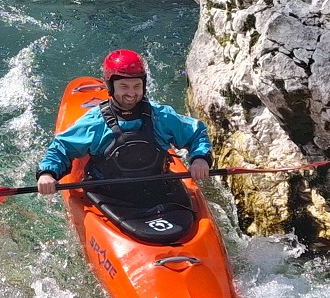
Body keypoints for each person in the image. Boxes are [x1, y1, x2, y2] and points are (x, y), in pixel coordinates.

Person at [35, 49, 212, 242]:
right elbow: (61, 148)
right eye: (124, 86)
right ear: (111, 87)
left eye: (137, 86)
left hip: (158, 189)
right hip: (112, 196)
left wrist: (200, 158)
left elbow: (196, 133)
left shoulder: (161, 116)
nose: (131, 93)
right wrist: (47, 174)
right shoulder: (95, 123)